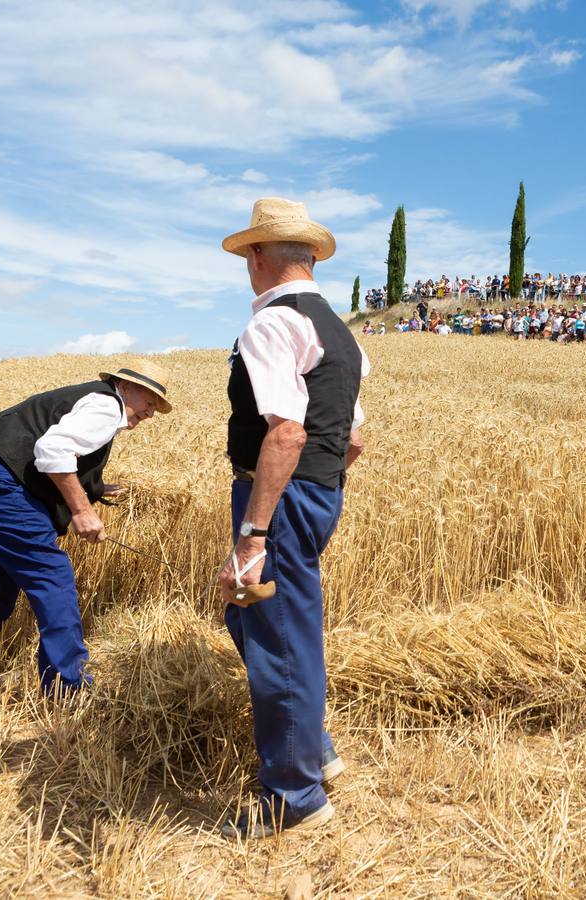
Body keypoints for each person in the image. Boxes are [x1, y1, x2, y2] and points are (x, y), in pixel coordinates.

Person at [217, 198, 369, 839]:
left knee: (279, 641)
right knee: (257, 619)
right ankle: (315, 747)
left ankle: (294, 797)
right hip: (318, 495)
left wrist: (255, 532)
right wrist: (317, 497)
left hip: (278, 499)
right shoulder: (343, 332)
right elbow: (354, 437)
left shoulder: (272, 325)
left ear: (257, 255)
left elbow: (285, 434)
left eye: (247, 256)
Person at [0, 361, 171, 693]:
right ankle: (68, 687)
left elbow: (44, 454)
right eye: (149, 402)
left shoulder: (91, 399)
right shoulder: (107, 404)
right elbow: (52, 450)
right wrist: (82, 511)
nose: (149, 413)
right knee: (53, 576)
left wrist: (98, 489)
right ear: (126, 387)